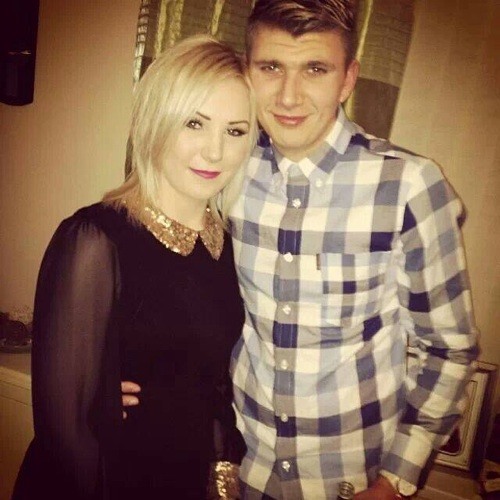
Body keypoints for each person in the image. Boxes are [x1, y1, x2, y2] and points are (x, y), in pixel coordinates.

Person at [122, 1, 479, 498]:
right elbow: (160, 268)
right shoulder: (226, 167)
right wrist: (113, 365)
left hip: (351, 481)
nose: (289, 96)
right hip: (237, 469)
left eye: (315, 69)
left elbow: (446, 348)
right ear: (248, 71)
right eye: (271, 67)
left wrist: (394, 481)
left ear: (348, 78)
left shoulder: (408, 186)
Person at [13, 34, 258, 500]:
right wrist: (103, 398)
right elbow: (65, 434)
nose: (215, 151)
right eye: (194, 122)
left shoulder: (229, 246)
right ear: (155, 122)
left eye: (235, 131)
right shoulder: (94, 239)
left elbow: (210, 383)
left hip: (181, 479)